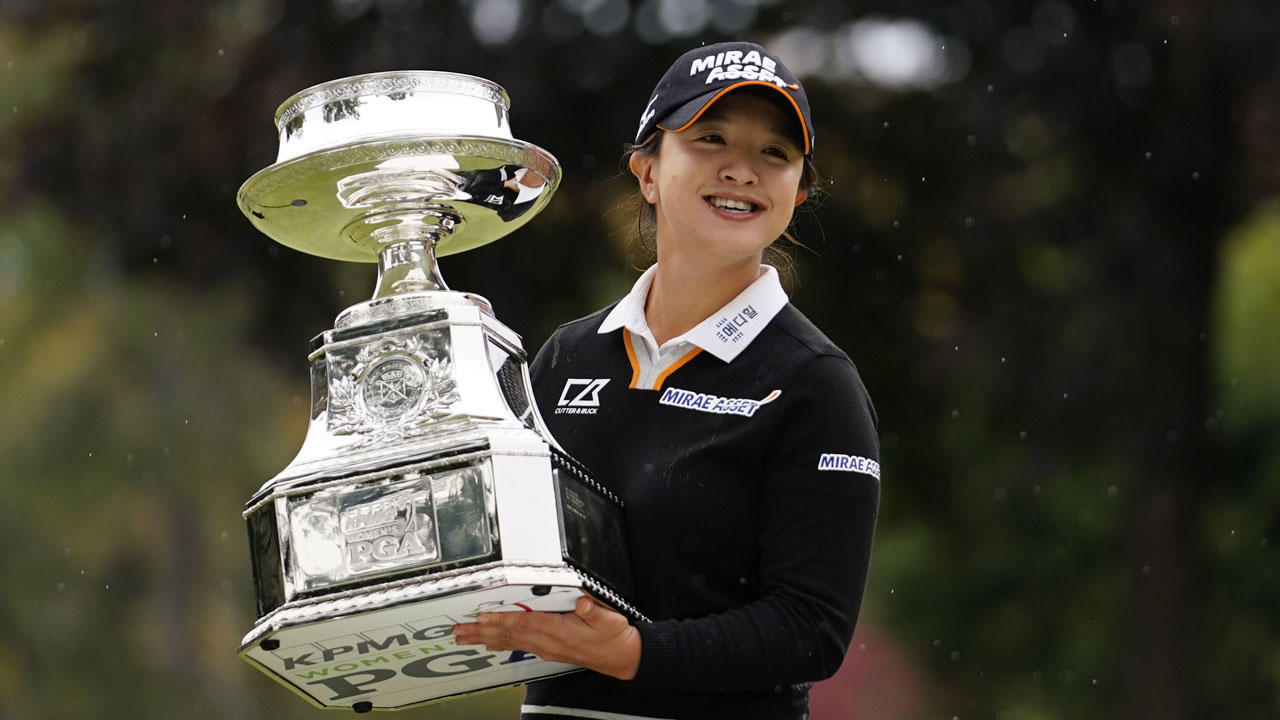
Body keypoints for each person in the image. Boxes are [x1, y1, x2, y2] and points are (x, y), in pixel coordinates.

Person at [452, 41, 881, 720]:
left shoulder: (813, 383)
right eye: (710, 138)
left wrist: (635, 653)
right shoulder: (568, 357)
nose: (742, 169)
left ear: (798, 193)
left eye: (776, 153)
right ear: (647, 171)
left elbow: (810, 631)